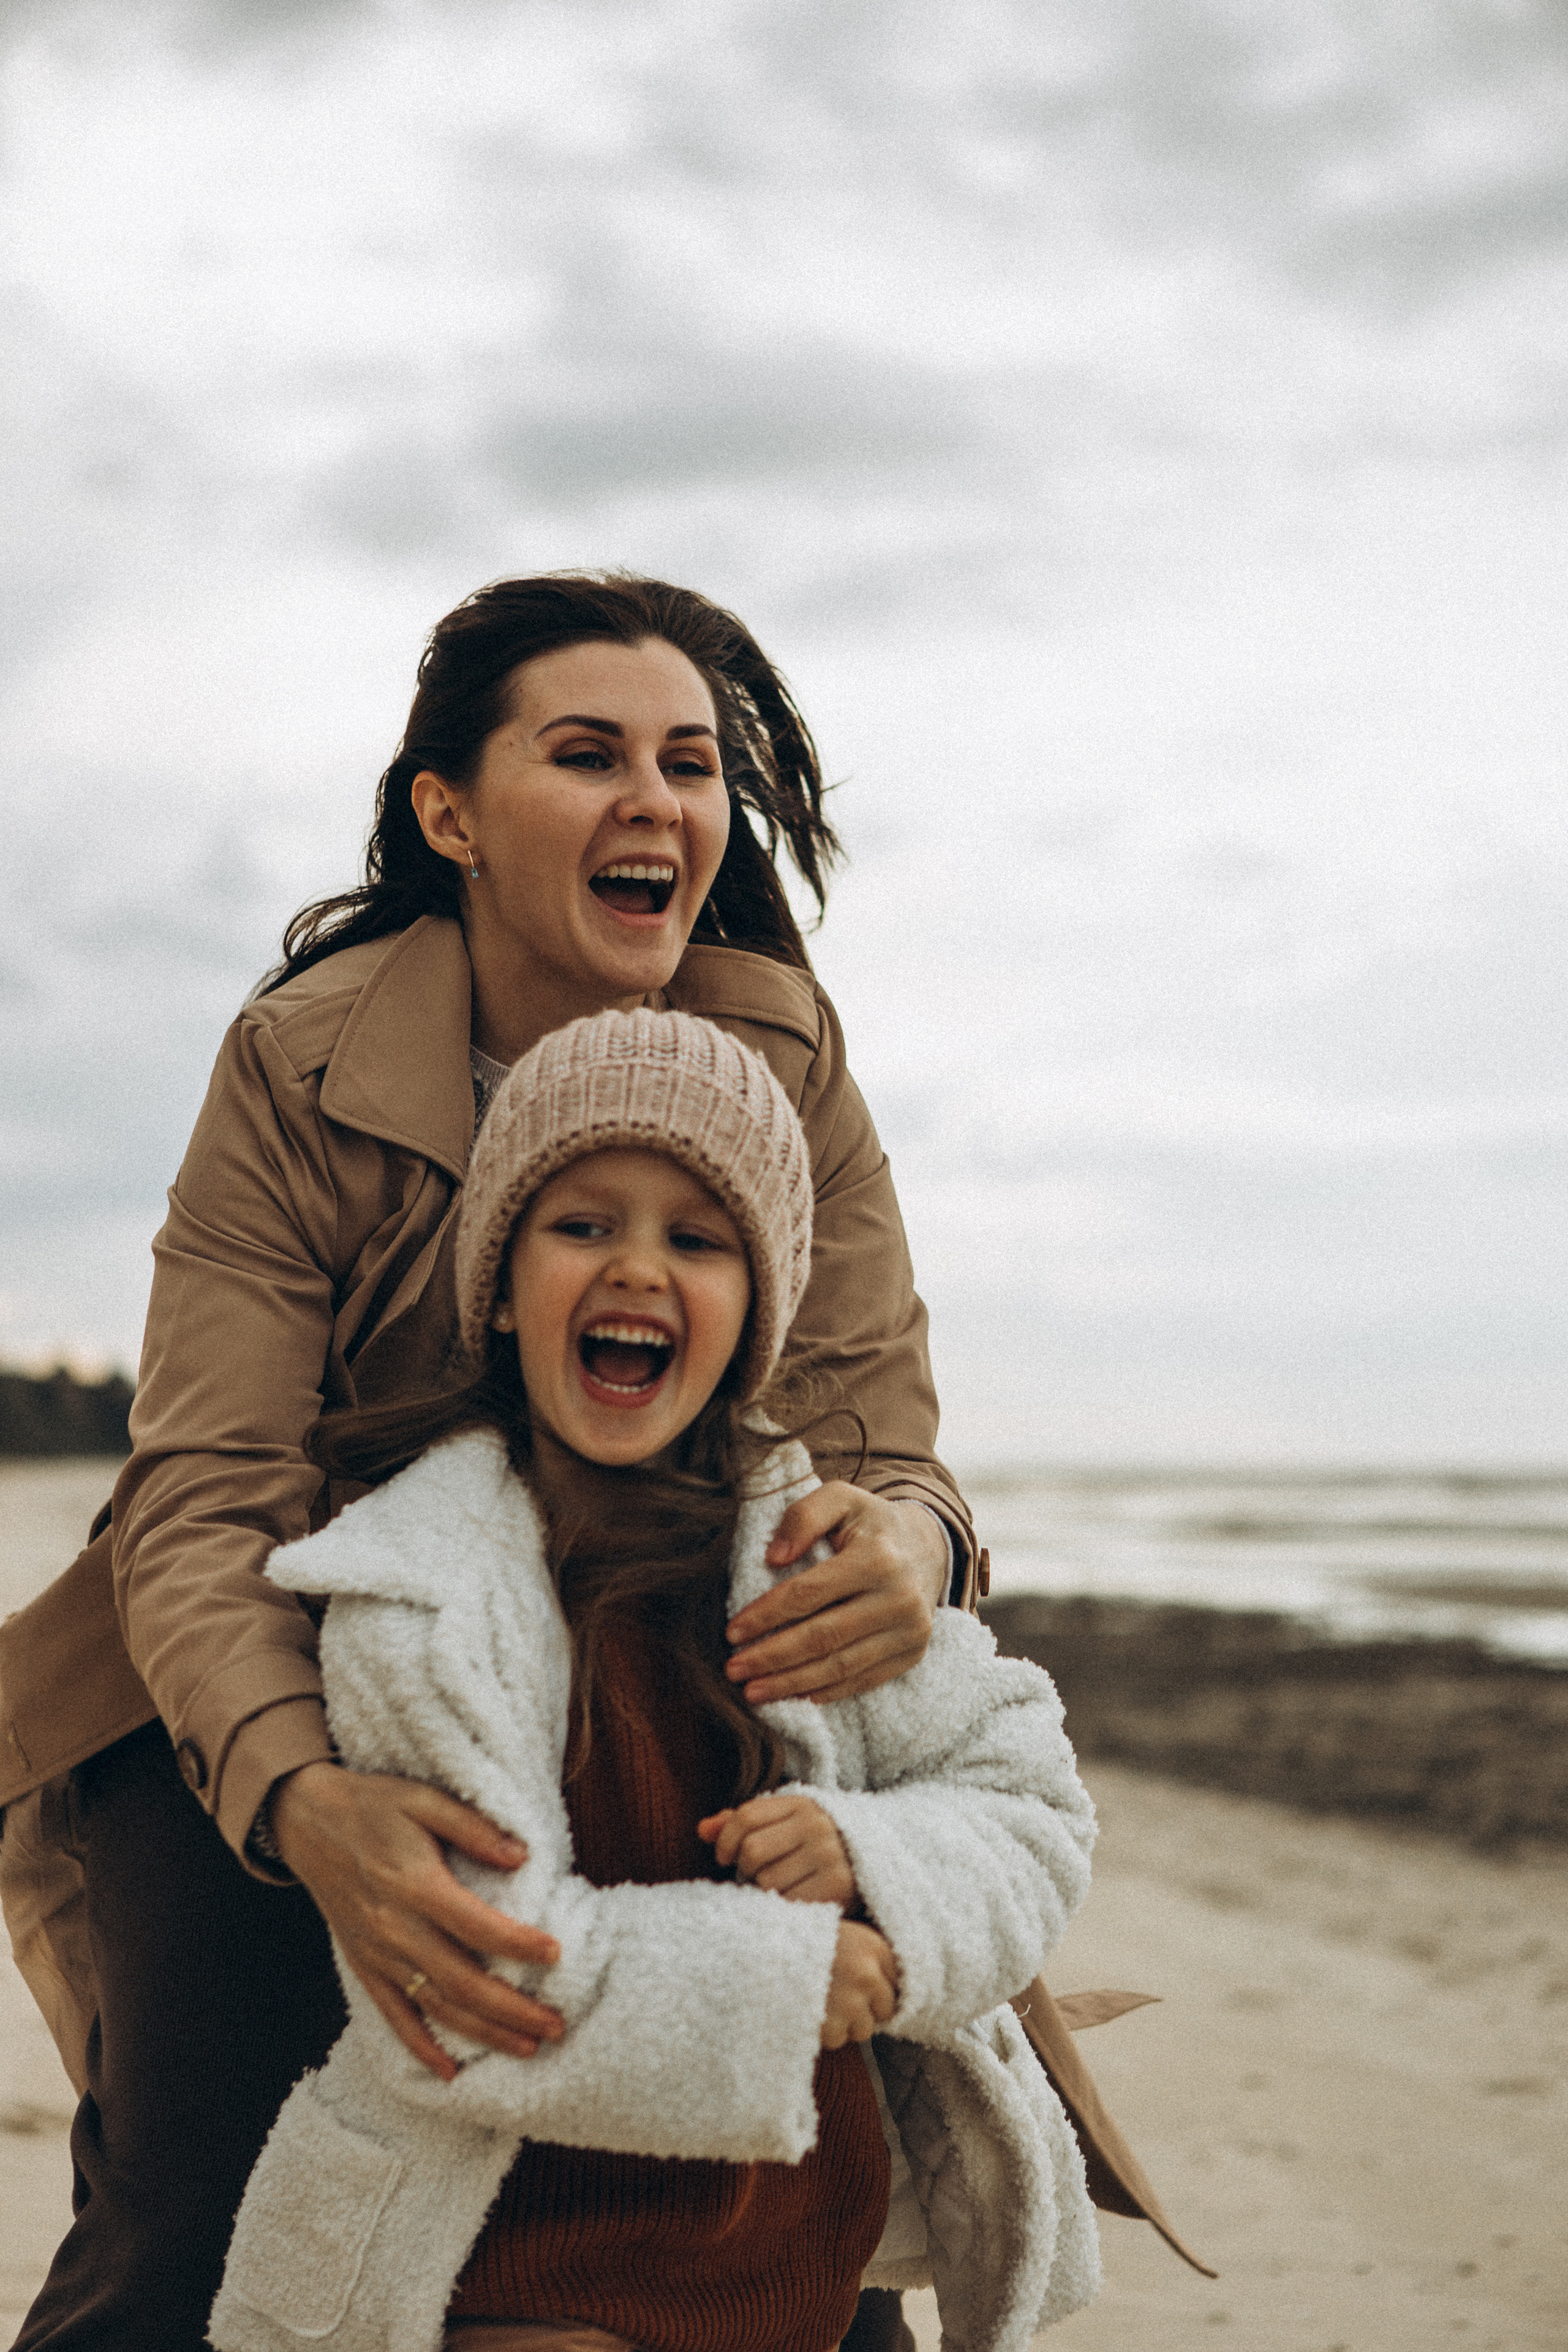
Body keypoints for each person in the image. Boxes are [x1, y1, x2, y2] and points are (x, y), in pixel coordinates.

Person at [0, 575, 978, 2352]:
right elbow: (205, 1498)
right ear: (449, 814)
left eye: (690, 764)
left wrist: (908, 1548)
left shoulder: (781, 1052)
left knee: (816, 2200)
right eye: (587, 754)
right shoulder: (299, 1059)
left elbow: (880, 1449)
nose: (654, 800)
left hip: (650, 1647)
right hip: (278, 1662)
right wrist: (304, 1801)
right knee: (192, 2209)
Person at [209, 1008, 1101, 2352]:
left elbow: (1031, 1806)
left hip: (796, 2263)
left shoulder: (813, 1557)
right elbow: (469, 1981)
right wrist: (780, 1985)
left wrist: (870, 1859)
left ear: (757, 1314)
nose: (637, 1266)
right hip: (512, 2263)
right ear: (499, 1287)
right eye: (582, 1226)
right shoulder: (416, 1587)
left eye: (697, 1240)